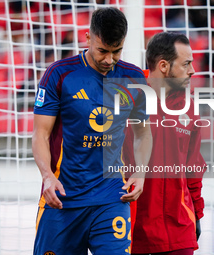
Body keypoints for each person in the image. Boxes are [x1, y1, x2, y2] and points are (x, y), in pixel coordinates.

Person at [32, 7, 152, 255]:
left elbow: (143, 133)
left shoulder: (134, 77)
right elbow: (40, 135)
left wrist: (140, 172)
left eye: (116, 51)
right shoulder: (60, 74)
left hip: (111, 198)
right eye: (103, 51)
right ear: (88, 38)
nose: (109, 60)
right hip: (63, 199)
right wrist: (47, 176)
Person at [123, 32, 206, 255]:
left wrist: (196, 213)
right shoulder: (125, 100)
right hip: (132, 229)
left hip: (179, 232)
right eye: (186, 63)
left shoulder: (191, 110)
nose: (193, 71)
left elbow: (193, 167)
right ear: (163, 66)